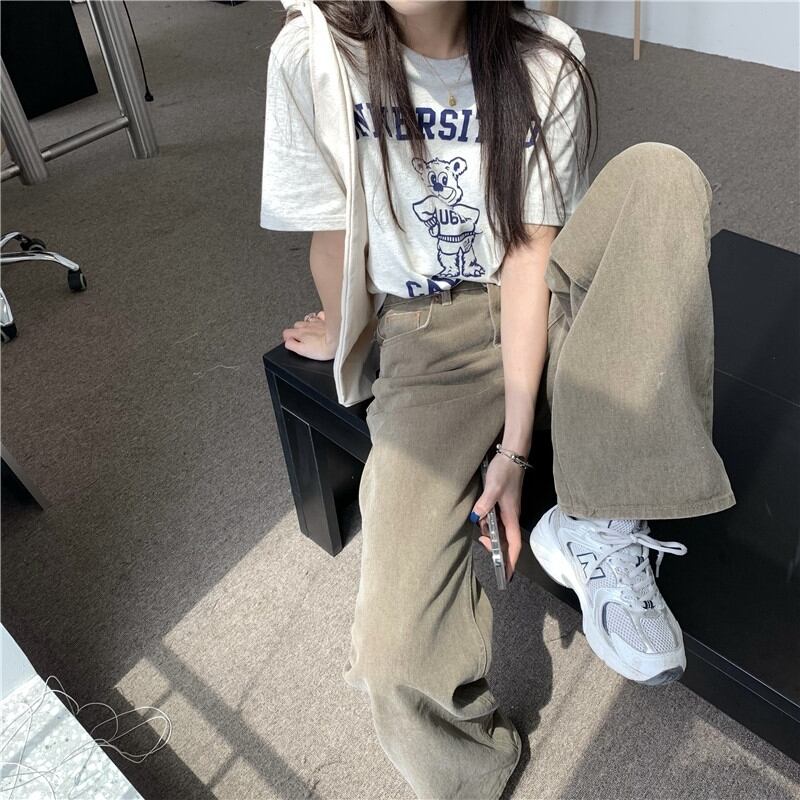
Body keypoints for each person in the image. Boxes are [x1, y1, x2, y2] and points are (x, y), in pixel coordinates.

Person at [260, 2, 736, 798]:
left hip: (546, 294)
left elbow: (529, 255)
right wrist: (346, 331)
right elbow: (334, 230)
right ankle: (476, 774)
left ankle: (598, 518)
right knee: (392, 659)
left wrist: (514, 449)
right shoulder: (311, 54)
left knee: (661, 175)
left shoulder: (546, 54)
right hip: (427, 333)